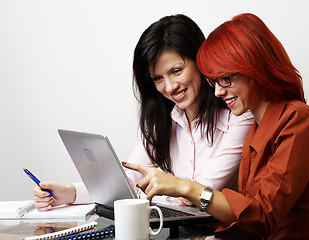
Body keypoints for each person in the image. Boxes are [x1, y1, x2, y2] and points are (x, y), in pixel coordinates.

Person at [123, 13, 309, 239]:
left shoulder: (298, 120)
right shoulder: (256, 127)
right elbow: (246, 215)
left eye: (226, 79)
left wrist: (185, 188)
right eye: (213, 81)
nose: (217, 91)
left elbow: (262, 216)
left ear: (254, 69)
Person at [33, 14, 254, 211]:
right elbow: (127, 181)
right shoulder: (166, 121)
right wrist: (69, 193)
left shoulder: (239, 115)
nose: (169, 87)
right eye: (158, 78)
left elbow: (202, 189)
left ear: (200, 60)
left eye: (176, 71)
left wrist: (164, 186)